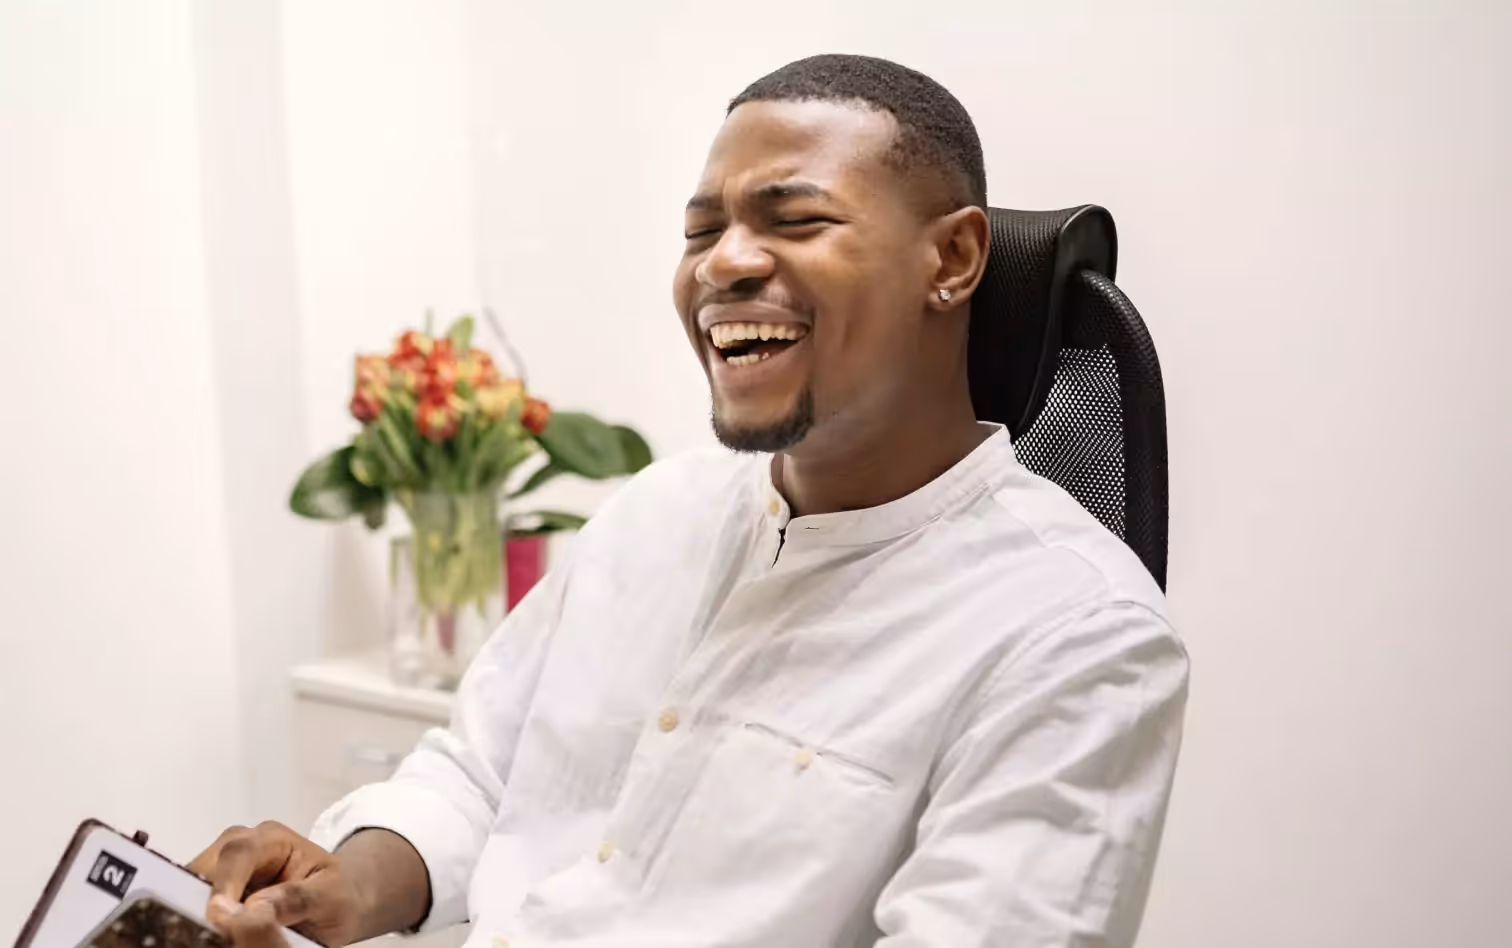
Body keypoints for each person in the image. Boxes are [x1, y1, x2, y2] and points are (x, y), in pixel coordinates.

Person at [190, 54, 1189, 948]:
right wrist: (345, 887)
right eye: (702, 231)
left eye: (796, 219)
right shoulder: (654, 512)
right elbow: (478, 775)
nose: (723, 263)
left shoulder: (1078, 640)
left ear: (954, 260)